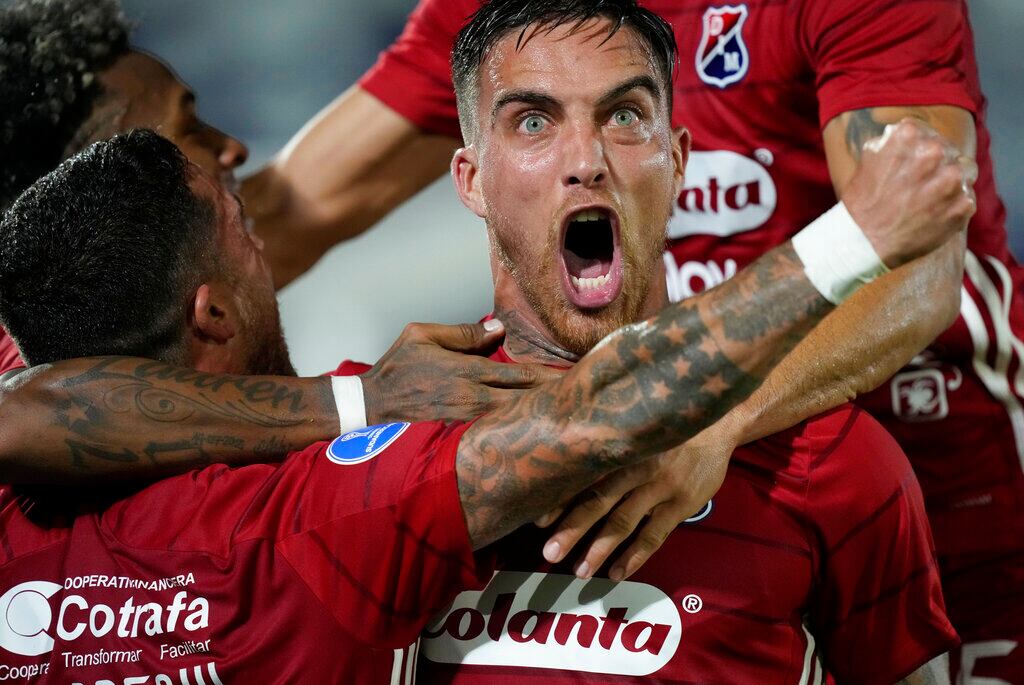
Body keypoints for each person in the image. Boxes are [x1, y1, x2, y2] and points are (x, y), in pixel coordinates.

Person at [0, 92, 962, 682]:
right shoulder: (314, 519)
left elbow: (29, 405)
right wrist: (853, 239)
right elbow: (597, 417)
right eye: (251, 234)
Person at [246, 0, 1022, 679]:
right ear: (471, 177)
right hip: (657, 446)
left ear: (677, 156)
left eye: (622, 117)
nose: (584, 160)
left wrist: (701, 410)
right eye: (537, 122)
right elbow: (271, 223)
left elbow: (917, 260)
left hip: (945, 488)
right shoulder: (511, 16)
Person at [0, 0, 564, 482]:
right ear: (81, 195)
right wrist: (365, 403)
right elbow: (19, 417)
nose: (236, 149)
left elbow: (299, 203)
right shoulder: (25, 362)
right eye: (186, 132)